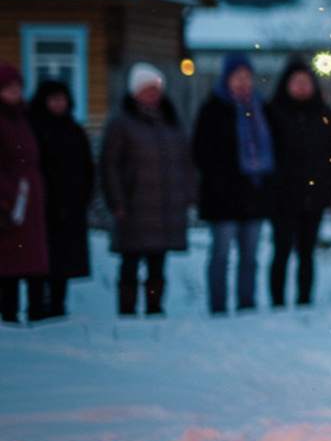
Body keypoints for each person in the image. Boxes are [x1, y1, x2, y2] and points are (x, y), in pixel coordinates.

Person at [100, 64, 193, 316]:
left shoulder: (170, 123)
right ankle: (127, 309)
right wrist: (116, 201)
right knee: (130, 261)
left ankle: (154, 307)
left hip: (163, 208)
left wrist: (187, 195)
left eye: (156, 89)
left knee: (157, 262)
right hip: (133, 207)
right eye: (147, 89)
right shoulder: (122, 124)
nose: (153, 94)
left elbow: (184, 163)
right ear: (135, 92)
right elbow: (110, 165)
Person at [192, 51, 275, 315]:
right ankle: (218, 306)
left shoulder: (261, 109)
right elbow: (201, 151)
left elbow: (274, 149)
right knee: (221, 254)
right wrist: (219, 181)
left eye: (247, 77)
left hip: (253, 193)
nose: (243, 82)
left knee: (249, 256)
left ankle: (246, 304)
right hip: (222, 196)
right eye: (237, 77)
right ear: (227, 79)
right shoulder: (213, 109)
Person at [265, 58, 331, 308]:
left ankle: (304, 300)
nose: (302, 87)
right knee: (281, 250)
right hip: (282, 195)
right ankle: (277, 302)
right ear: (287, 85)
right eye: (297, 82)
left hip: (314, 195)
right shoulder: (273, 113)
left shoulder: (324, 114)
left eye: (306, 82)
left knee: (306, 252)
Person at [25, 79, 95, 320]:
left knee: (64, 261)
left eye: (62, 99)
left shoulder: (73, 130)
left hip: (71, 205)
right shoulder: (33, 128)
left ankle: (57, 306)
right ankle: (36, 308)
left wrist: (82, 196)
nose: (58, 104)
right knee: (39, 259)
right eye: (53, 99)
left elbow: (86, 167)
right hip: (41, 205)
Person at [0, 63, 48, 324]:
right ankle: (8, 316)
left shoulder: (22, 118)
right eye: (7, 88)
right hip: (11, 199)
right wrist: (9, 195)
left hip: (30, 196)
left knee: (32, 261)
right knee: (10, 264)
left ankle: (37, 314)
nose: (13, 92)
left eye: (17, 87)